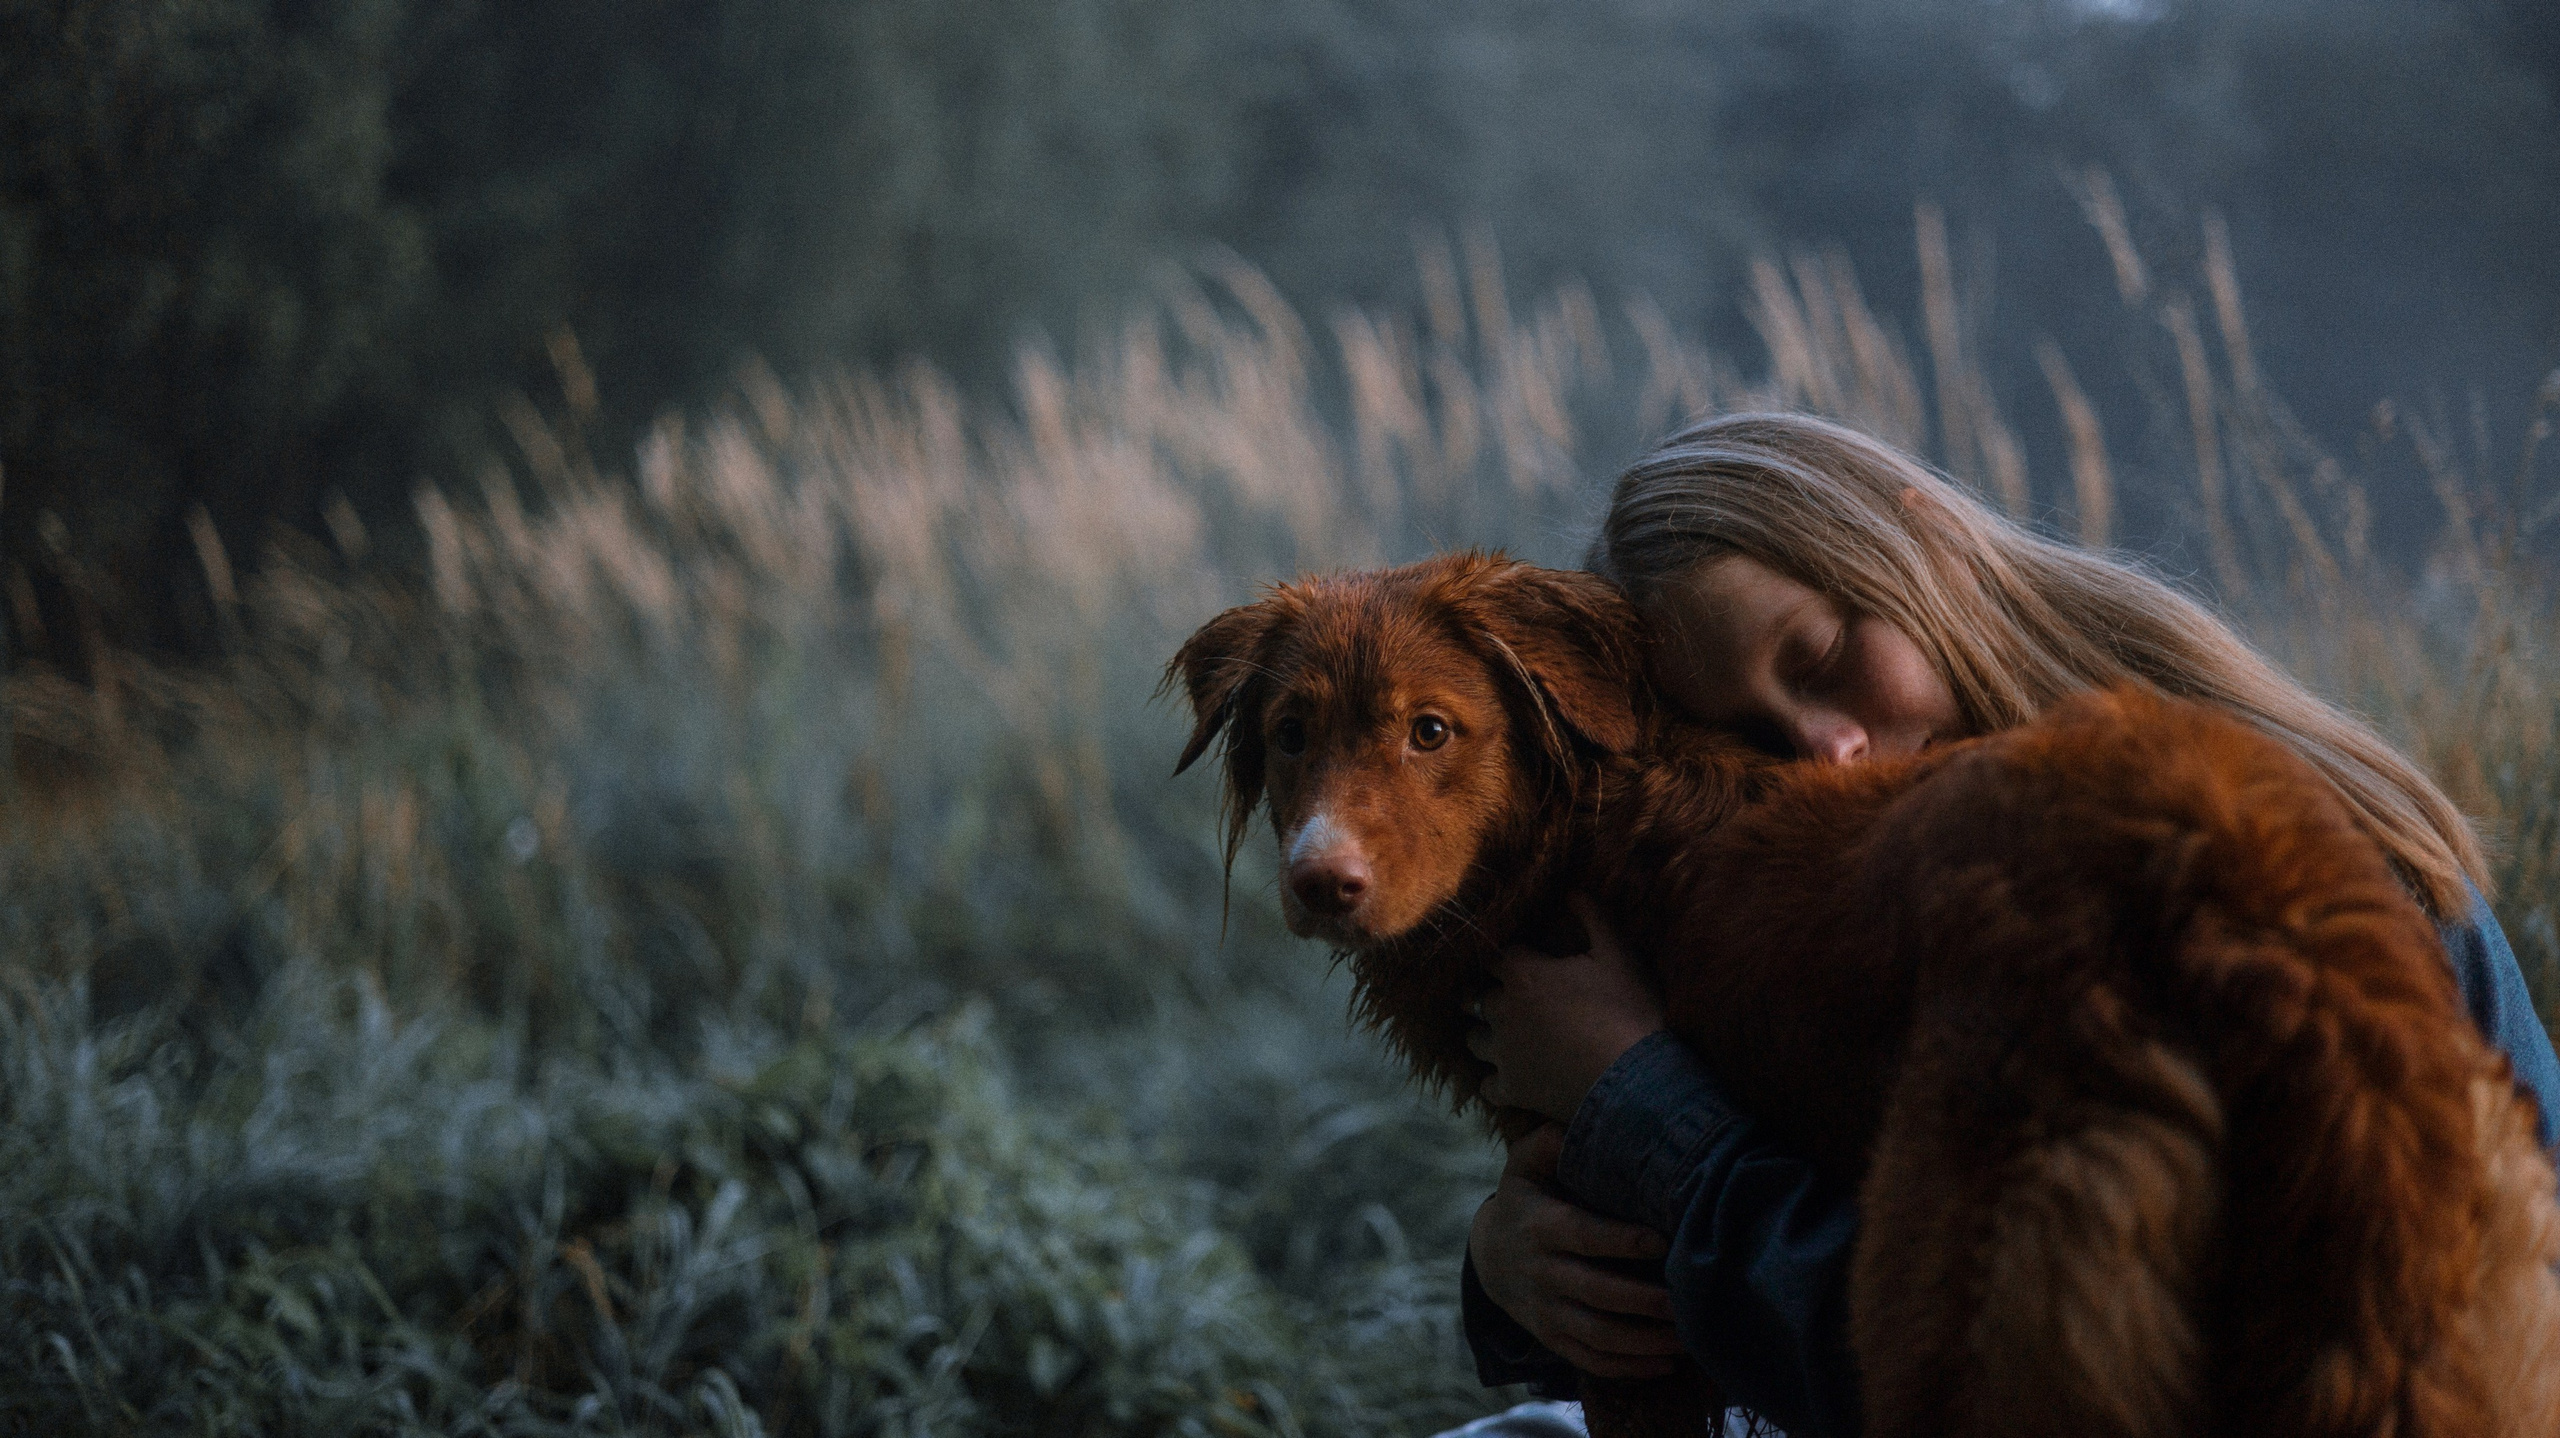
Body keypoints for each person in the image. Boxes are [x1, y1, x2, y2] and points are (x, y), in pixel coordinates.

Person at [1446, 412, 2560, 1438]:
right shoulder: (1834, 906)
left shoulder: (2253, 875)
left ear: (1916, 540)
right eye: (1747, 737)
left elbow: (1986, 1373)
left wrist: (1642, 1112)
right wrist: (1514, 1274)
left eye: (1824, 661)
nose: (1824, 748)